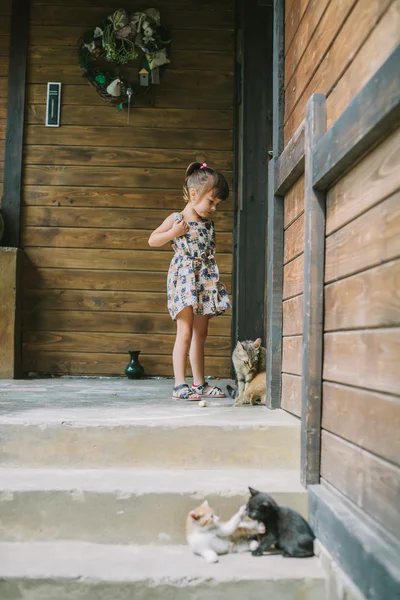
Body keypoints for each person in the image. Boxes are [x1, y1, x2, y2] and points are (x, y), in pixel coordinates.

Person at [148, 162, 231, 400]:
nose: (214, 207)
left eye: (217, 204)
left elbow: (209, 256)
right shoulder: (176, 218)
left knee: (200, 334)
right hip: (184, 279)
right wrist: (173, 233)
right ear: (194, 194)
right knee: (184, 331)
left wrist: (218, 282)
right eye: (211, 201)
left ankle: (199, 383)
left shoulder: (207, 224)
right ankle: (179, 385)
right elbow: (153, 240)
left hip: (205, 280)